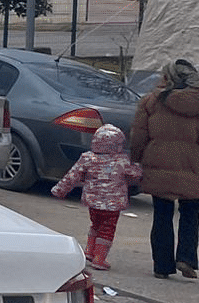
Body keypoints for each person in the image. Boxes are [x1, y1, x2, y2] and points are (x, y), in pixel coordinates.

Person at [129, 58, 199, 280]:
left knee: (162, 214)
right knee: (191, 214)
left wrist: (136, 158)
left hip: (158, 163)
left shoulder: (151, 101)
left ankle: (162, 265)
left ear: (168, 78)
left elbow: (139, 135)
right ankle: (186, 258)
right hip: (193, 166)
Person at [52, 124, 145, 272]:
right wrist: (140, 167)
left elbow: (72, 175)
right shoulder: (122, 160)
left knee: (95, 224)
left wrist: (60, 190)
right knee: (107, 229)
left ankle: (89, 251)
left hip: (92, 202)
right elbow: (136, 174)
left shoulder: (87, 158)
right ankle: (99, 259)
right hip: (113, 204)